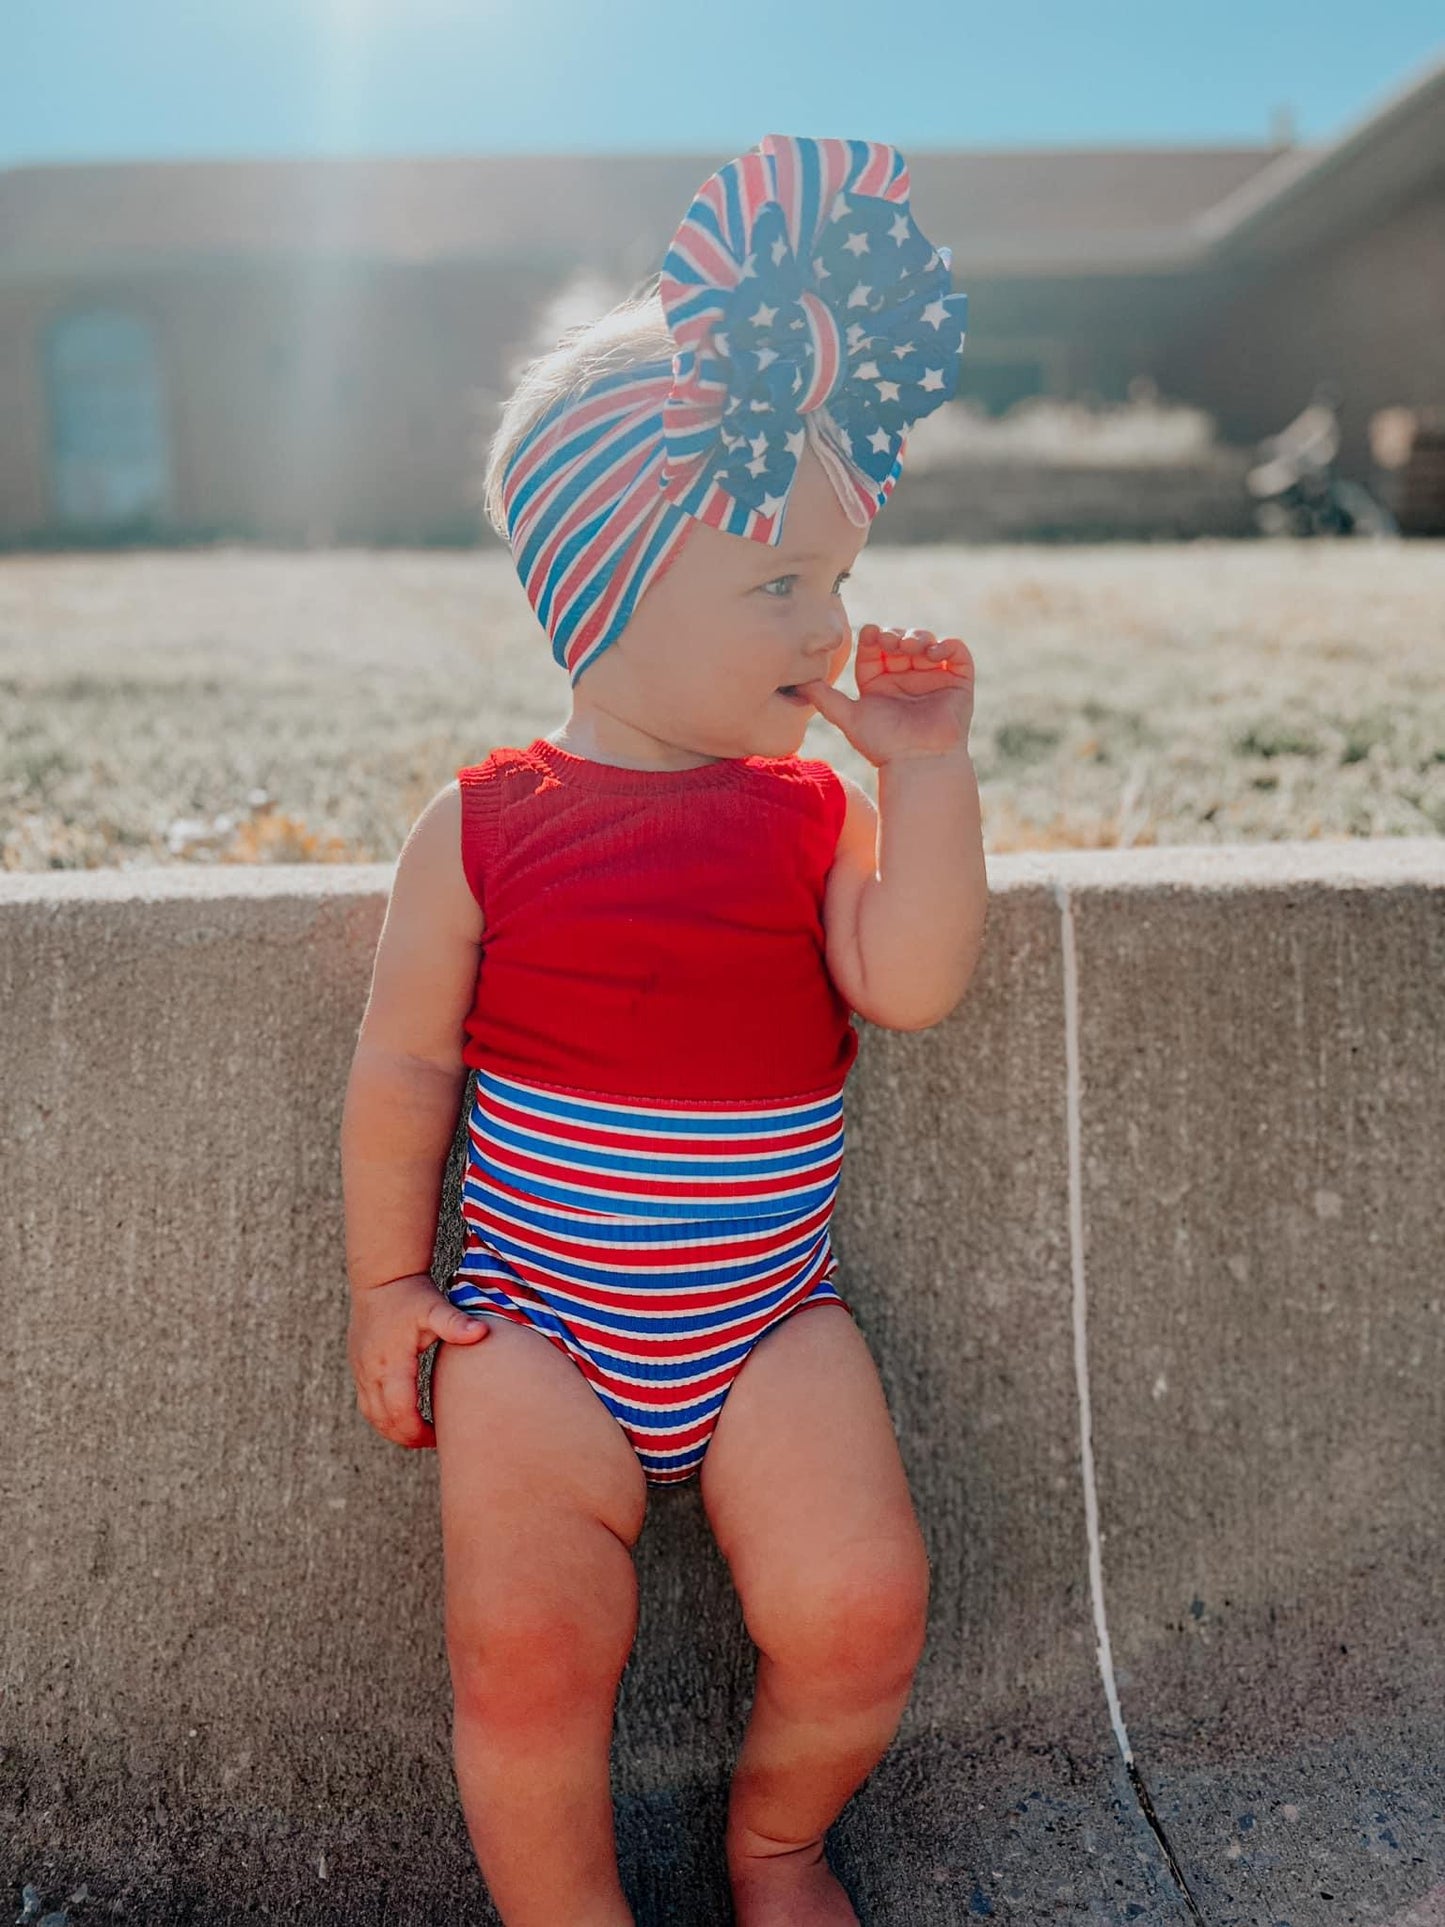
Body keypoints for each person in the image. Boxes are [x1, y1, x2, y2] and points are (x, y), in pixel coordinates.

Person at [342, 133, 989, 1927]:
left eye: (840, 580)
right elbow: (401, 1069)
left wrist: (926, 789)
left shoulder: (811, 813)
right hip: (536, 1329)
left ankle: (773, 1844)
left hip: (768, 1323)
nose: (833, 628)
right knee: (530, 1651)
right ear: (604, 592)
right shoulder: (484, 824)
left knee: (862, 1601)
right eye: (779, 586)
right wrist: (390, 1287)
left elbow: (910, 981)